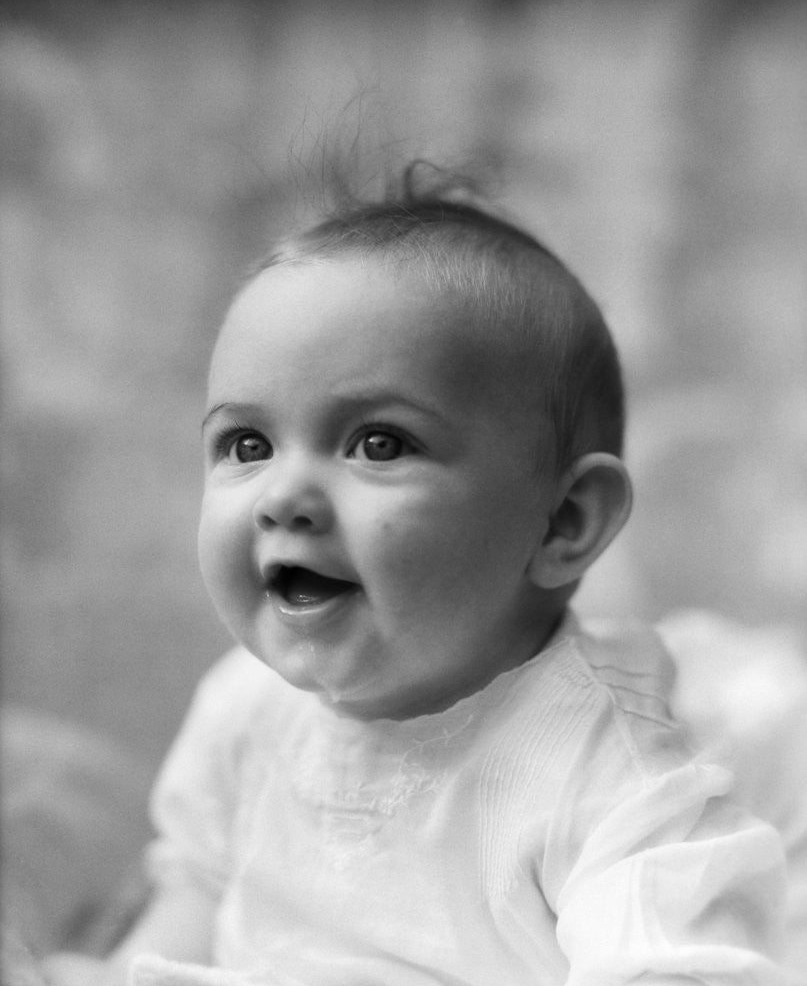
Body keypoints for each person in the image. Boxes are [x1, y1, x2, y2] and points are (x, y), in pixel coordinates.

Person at [44, 166, 789, 985]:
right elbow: (200, 898)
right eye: (246, 445)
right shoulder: (246, 710)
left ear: (562, 521)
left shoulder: (611, 778)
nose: (283, 496)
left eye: (379, 444)